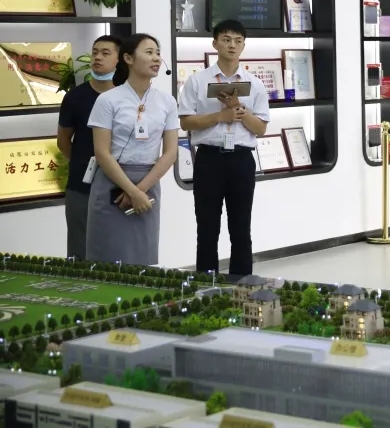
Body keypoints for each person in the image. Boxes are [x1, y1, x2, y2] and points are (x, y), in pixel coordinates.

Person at [178, 19, 270, 278]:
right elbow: (186, 122)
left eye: (238, 41)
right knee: (207, 228)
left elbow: (261, 129)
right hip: (209, 159)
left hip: (241, 159)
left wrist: (239, 110)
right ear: (215, 43)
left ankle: (242, 284)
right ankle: (205, 285)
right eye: (226, 39)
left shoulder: (255, 84)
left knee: (241, 228)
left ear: (243, 46)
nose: (232, 45)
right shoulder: (197, 81)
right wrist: (220, 116)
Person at [85, 34, 179, 265]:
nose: (156, 58)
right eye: (149, 52)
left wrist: (140, 191)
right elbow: (102, 152)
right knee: (106, 259)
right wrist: (132, 192)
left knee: (142, 258)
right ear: (128, 58)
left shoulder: (167, 102)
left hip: (148, 183)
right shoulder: (107, 100)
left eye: (158, 53)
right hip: (112, 182)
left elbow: (170, 153)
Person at [56, 35, 121, 259]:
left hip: (119, 185)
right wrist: (80, 162)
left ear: (120, 59)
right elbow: (63, 140)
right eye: (95, 53)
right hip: (81, 184)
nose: (98, 57)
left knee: (115, 249)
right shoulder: (75, 97)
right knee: (80, 248)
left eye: (105, 53)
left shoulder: (126, 97)